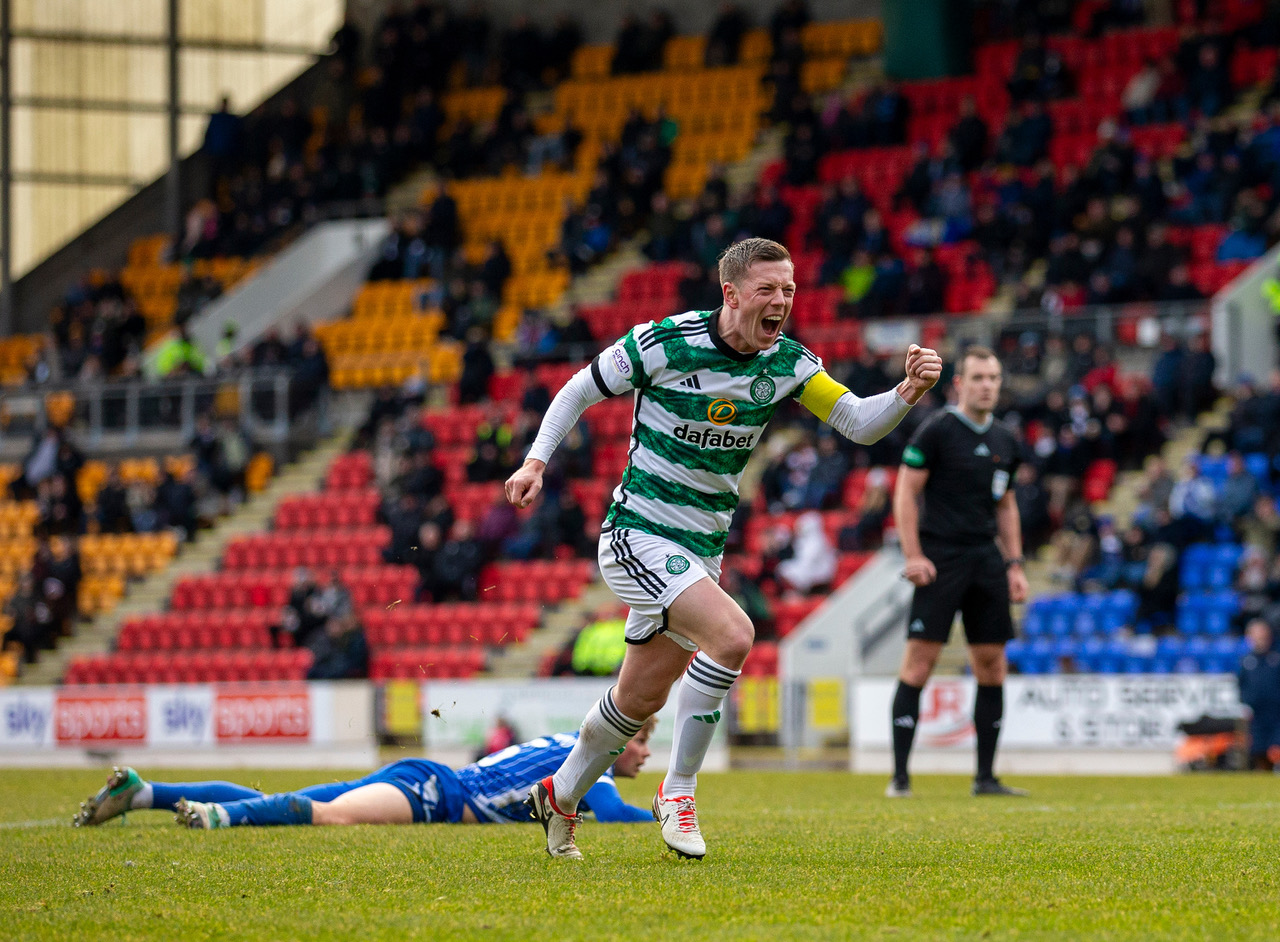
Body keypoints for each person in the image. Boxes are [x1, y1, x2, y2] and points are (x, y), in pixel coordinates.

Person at [505, 237, 941, 859]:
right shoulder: (663, 343)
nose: (782, 301)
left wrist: (907, 392)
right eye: (768, 289)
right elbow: (578, 388)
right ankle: (678, 790)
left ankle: (560, 795)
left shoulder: (788, 364)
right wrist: (536, 461)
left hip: (700, 551)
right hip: (636, 535)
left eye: (788, 290)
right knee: (734, 635)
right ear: (732, 294)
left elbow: (857, 424)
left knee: (638, 699)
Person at [889, 346, 1029, 799]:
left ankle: (985, 778)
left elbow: (1005, 504)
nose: (987, 385)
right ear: (960, 384)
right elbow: (906, 494)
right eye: (979, 377)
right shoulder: (937, 431)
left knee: (991, 664)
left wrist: (1015, 564)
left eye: (993, 377)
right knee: (920, 662)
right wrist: (913, 555)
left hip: (986, 560)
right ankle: (900, 778)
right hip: (940, 558)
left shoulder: (1008, 440)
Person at [73, 721, 656, 830]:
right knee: (331, 817)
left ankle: (144, 792)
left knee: (284, 800)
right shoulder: (591, 767)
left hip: (428, 775)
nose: (644, 753)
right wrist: (658, 813)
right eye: (641, 738)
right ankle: (218, 817)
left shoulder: (567, 741)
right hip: (438, 793)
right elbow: (614, 816)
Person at [1238, 619, 1280, 771]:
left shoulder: (1276, 659)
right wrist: (1244, 703)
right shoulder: (1247, 661)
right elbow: (1241, 685)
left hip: (1276, 714)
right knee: (1258, 751)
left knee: (1275, 750)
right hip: (1256, 715)